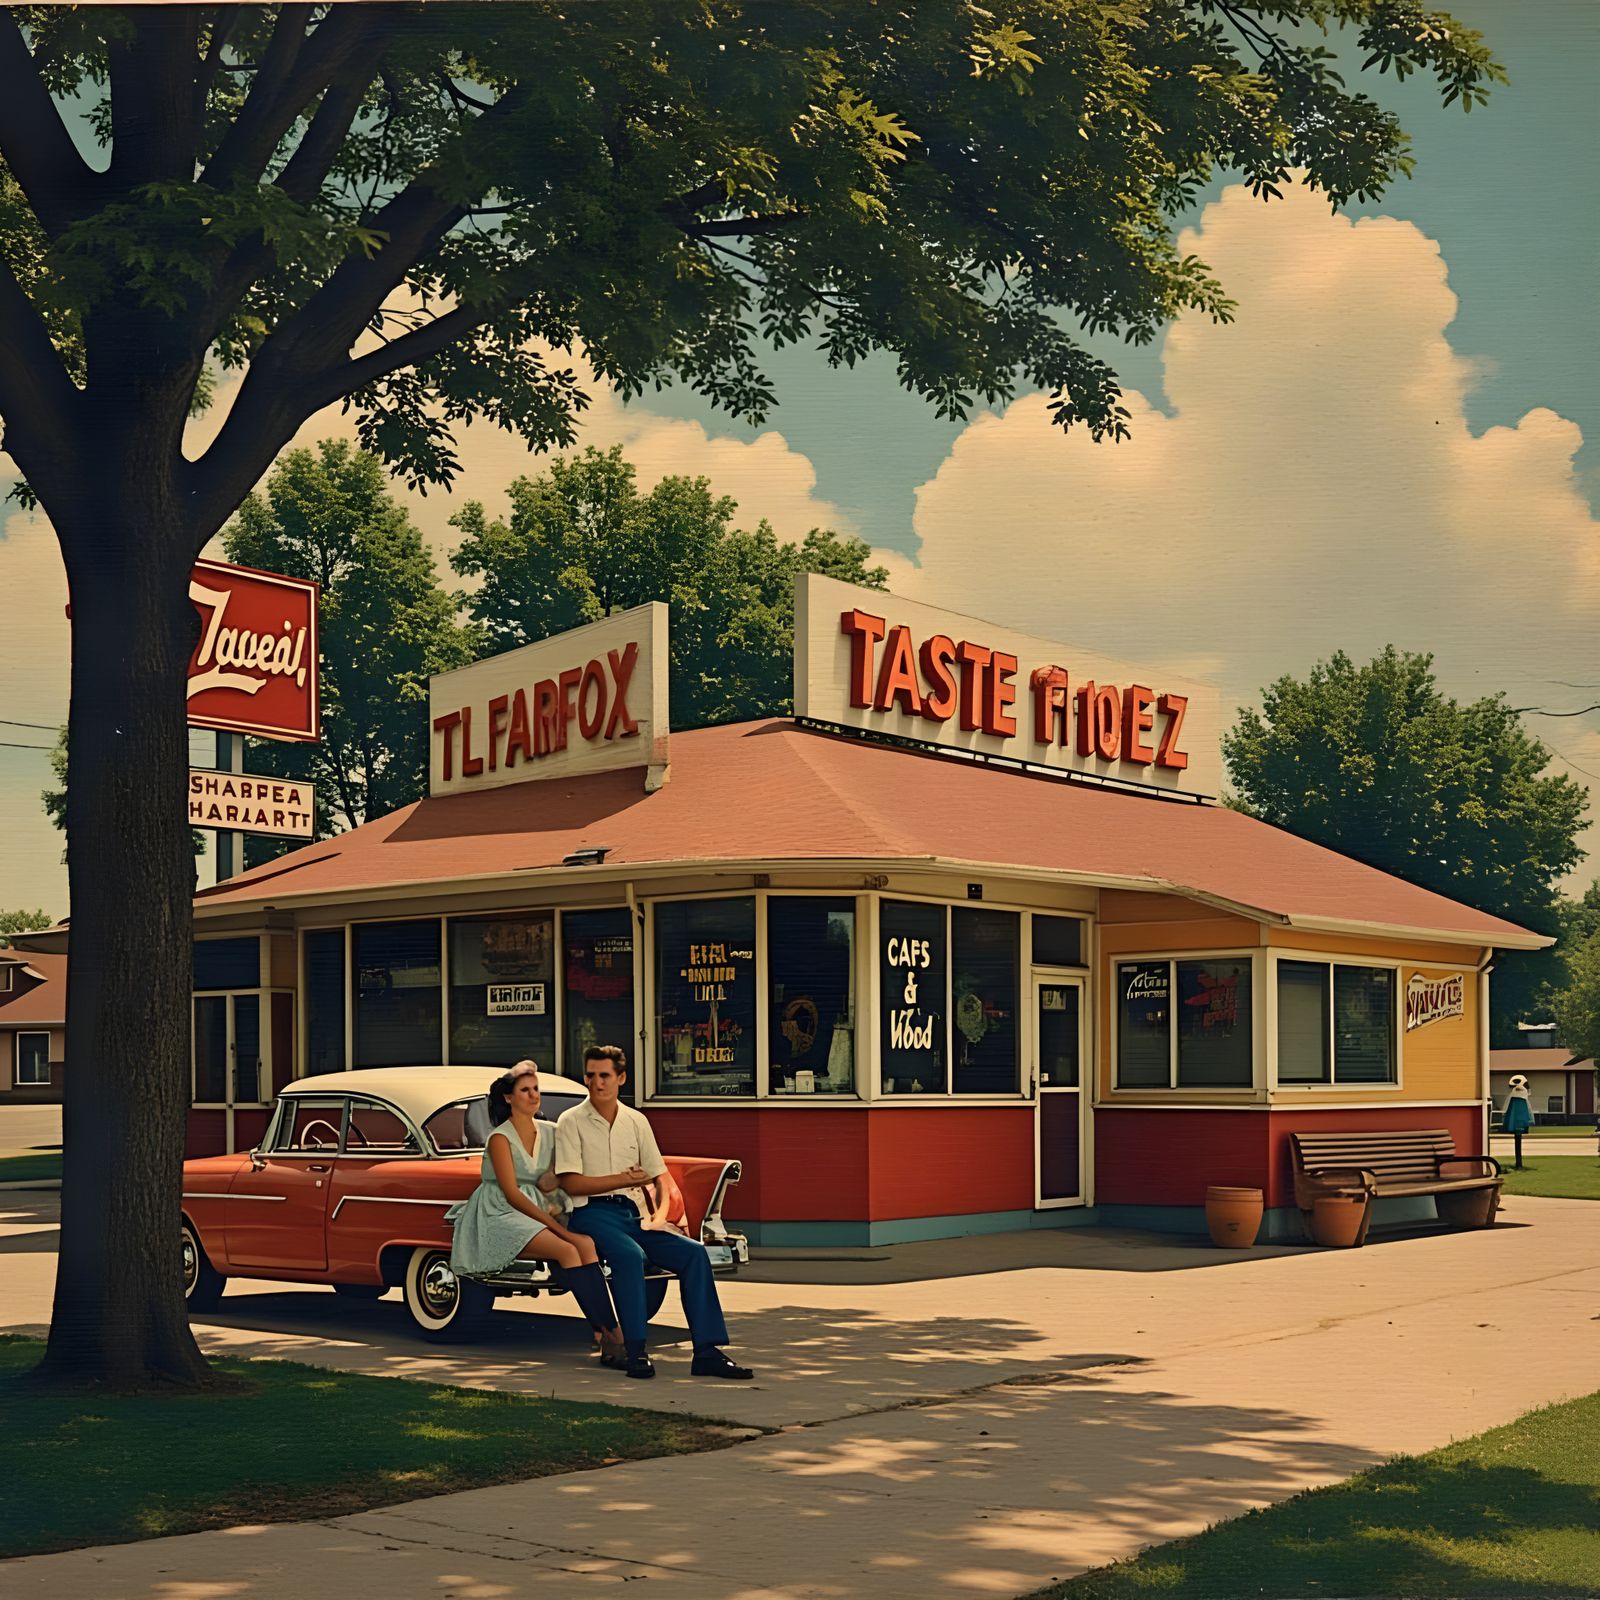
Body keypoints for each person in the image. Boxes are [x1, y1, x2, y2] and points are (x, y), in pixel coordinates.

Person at [556, 1044, 753, 1381]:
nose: (596, 1082)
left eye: (604, 1075)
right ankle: (636, 1351)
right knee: (630, 1256)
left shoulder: (636, 1121)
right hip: (592, 1214)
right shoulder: (570, 1122)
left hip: (636, 1215)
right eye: (590, 1075)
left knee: (694, 1254)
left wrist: (660, 1216)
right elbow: (571, 1184)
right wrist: (621, 1178)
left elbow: (659, 1177)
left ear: (621, 1078)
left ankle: (706, 1351)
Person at [445, 1060, 626, 1366]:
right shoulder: (500, 1138)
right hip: (501, 1211)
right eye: (525, 1090)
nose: (533, 1096)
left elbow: (578, 1156)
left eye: (535, 1089)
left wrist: (554, 1173)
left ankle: (605, 1333)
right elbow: (512, 1194)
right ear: (508, 1098)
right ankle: (614, 1336)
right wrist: (558, 1228)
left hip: (545, 1205)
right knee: (568, 1248)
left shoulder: (552, 1131)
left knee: (587, 1245)